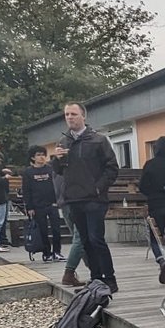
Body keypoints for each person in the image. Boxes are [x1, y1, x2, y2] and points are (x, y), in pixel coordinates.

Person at [51, 102, 120, 293]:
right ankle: (95, 278)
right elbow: (57, 171)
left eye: (73, 114)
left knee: (96, 238)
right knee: (86, 240)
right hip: (74, 198)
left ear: (83, 116)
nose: (69, 118)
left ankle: (110, 279)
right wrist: (56, 159)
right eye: (66, 115)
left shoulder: (97, 140)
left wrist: (99, 188)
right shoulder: (63, 142)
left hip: (94, 198)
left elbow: (112, 168)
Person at [139, 136, 165, 284]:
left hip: (156, 205)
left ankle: (161, 260)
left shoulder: (150, 165)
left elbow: (142, 186)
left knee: (155, 237)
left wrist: (152, 194)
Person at [22, 146, 64, 262]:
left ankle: (57, 252)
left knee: (56, 229)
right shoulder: (28, 172)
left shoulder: (50, 169)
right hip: (37, 205)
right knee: (42, 230)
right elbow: (26, 190)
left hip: (52, 203)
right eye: (38, 155)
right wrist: (29, 207)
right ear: (33, 157)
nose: (41, 157)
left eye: (43, 154)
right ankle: (46, 253)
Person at [53, 171, 87, 288]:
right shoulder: (74, 165)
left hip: (64, 203)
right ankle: (69, 272)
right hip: (76, 203)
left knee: (79, 238)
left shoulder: (58, 168)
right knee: (80, 238)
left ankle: (92, 268)